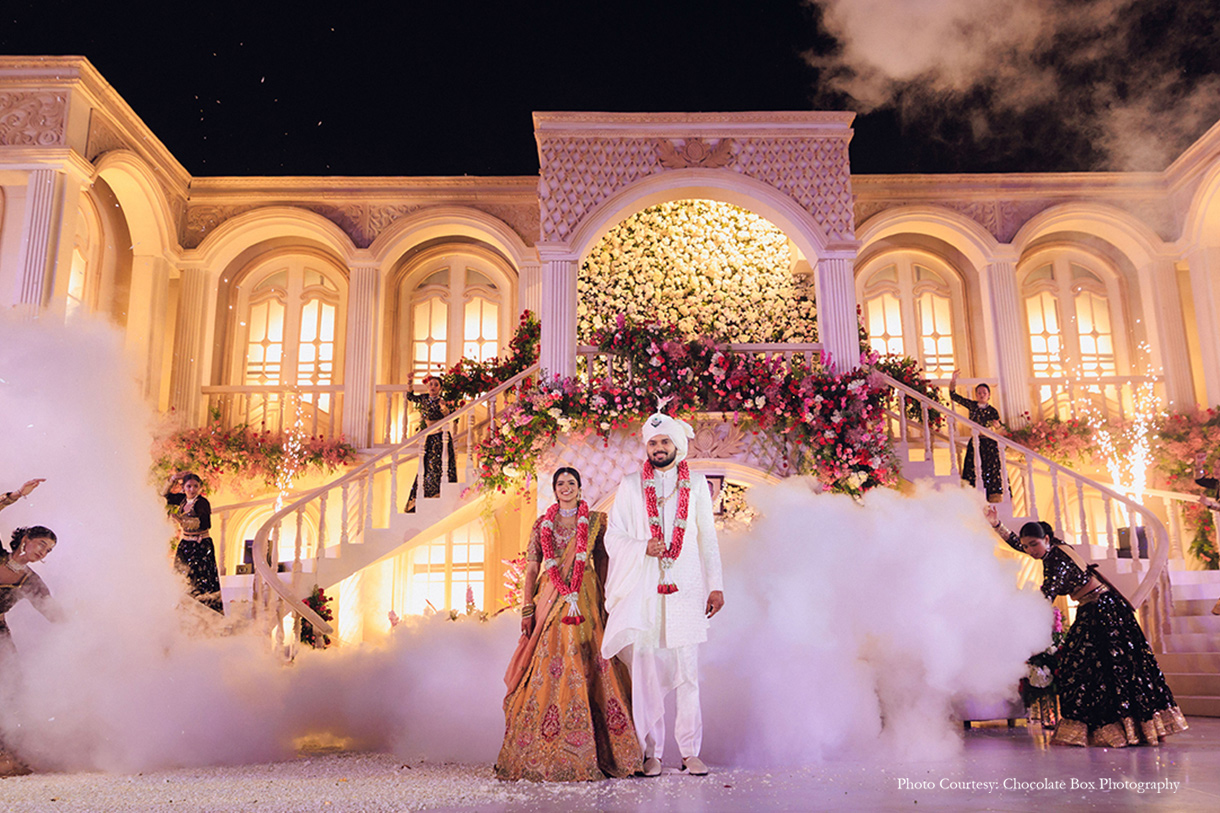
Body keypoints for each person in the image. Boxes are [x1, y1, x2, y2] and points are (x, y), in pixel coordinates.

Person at [985, 506, 1187, 747]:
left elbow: (1044, 598)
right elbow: (1020, 544)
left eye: (1033, 545)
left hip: (1102, 610)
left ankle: (1124, 729)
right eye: (1027, 546)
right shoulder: (1054, 548)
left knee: (1097, 666)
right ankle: (1133, 729)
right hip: (1097, 607)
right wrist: (997, 525)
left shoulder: (1055, 561)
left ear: (1046, 539)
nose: (1030, 550)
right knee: (1093, 665)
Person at [495, 467, 643, 781]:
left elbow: (604, 563)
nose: (565, 487)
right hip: (549, 598)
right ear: (555, 488)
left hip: (586, 597)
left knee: (593, 660)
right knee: (548, 663)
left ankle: (602, 752)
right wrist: (526, 606)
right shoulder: (541, 525)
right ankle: (543, 750)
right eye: (560, 483)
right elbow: (533, 566)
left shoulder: (596, 523)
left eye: (571, 483)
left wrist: (607, 602)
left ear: (579, 487)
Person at [601, 413, 724, 777]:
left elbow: (708, 538)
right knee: (647, 672)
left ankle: (690, 751)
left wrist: (716, 584)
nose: (658, 448)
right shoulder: (630, 485)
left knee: (688, 673)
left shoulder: (698, 485)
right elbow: (613, 536)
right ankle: (649, 752)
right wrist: (643, 547)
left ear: (677, 446)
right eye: (652, 443)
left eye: (664, 442)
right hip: (646, 591)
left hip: (686, 590)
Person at [1, 479, 62, 777]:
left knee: (10, 687)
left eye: (49, 550)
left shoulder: (30, 581)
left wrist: (94, 626)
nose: (44, 553)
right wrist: (15, 496)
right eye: (42, 544)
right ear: (25, 539)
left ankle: (6, 755)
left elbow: (55, 614)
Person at [163, 472, 224, 615]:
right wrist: (173, 479)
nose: (192, 489)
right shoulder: (183, 500)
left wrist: (181, 521)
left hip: (201, 545)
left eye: (195, 486)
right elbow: (164, 496)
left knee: (202, 579)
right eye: (188, 486)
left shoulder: (202, 502)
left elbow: (204, 524)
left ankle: (206, 614)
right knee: (181, 574)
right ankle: (184, 611)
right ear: (183, 488)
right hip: (186, 544)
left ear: (200, 487)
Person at [404, 375, 458, 512]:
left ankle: (438, 493)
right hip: (429, 438)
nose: (433, 387)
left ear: (440, 388)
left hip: (440, 438)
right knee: (428, 467)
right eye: (431, 384)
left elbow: (450, 416)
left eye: (436, 385)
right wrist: (409, 382)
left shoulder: (442, 402)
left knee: (439, 466)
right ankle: (421, 498)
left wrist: (444, 408)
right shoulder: (423, 398)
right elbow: (410, 397)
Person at [948, 370, 1004, 502]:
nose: (981, 395)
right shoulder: (972, 406)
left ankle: (993, 496)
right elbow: (954, 396)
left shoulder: (992, 411)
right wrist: (953, 380)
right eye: (979, 393)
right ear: (976, 395)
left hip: (989, 443)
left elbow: (999, 425)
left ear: (989, 395)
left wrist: (997, 426)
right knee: (973, 467)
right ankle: (971, 495)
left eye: (984, 393)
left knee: (991, 469)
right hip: (976, 441)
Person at [1193, 451, 1220, 615]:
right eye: (1215, 466)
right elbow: (1199, 479)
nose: (1216, 470)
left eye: (1219, 467)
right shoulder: (1217, 483)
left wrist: (1210, 505)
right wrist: (1199, 463)